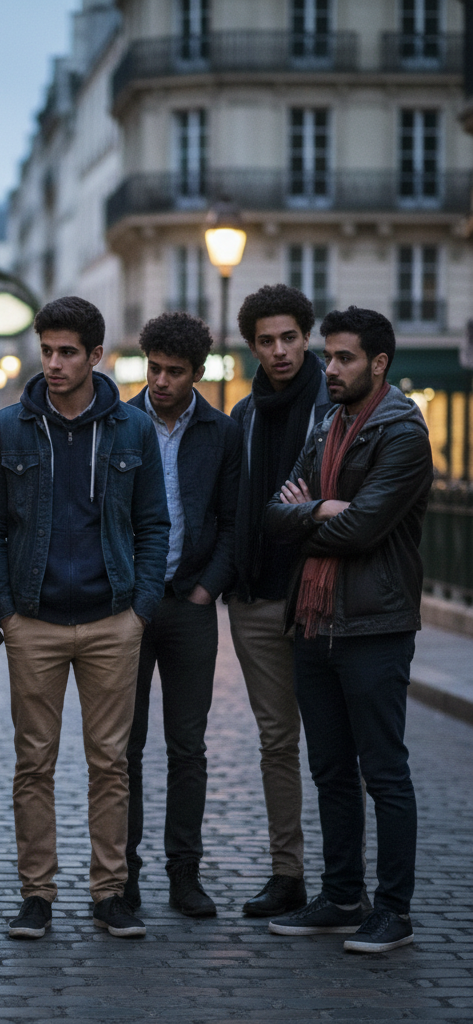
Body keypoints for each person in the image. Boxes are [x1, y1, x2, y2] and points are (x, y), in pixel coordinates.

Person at [0, 295, 170, 940]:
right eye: (47, 351)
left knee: (109, 763)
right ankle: (38, 894)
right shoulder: (7, 428)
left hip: (114, 618)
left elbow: (152, 526)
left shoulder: (133, 430)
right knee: (35, 762)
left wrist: (140, 609)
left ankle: (110, 892)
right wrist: (6, 610)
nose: (53, 364)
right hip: (35, 621)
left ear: (96, 356)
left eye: (67, 353)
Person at [265, 306, 432, 954]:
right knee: (330, 769)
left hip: (373, 625)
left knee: (383, 772)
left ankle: (393, 910)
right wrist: (315, 510)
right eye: (327, 356)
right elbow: (272, 517)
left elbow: (363, 529)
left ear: (379, 363)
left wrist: (304, 515)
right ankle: (340, 897)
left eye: (344, 358)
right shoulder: (327, 422)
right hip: (314, 623)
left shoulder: (402, 432)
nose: (328, 368)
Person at [125, 312, 240, 917]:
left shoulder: (220, 432)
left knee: (187, 748)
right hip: (131, 608)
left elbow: (233, 519)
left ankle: (184, 875)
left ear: (197, 373)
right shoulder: (118, 422)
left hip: (191, 605)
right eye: (155, 369)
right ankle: (125, 875)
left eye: (175, 372)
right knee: (125, 747)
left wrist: (206, 590)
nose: (162, 381)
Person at [227, 284, 331, 918]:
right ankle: (286, 873)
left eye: (289, 337)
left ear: (307, 335)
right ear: (253, 347)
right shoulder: (243, 414)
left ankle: (343, 878)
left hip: (319, 596)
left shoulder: (334, 407)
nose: (279, 351)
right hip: (256, 596)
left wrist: (305, 513)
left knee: (330, 743)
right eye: (266, 341)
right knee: (276, 742)